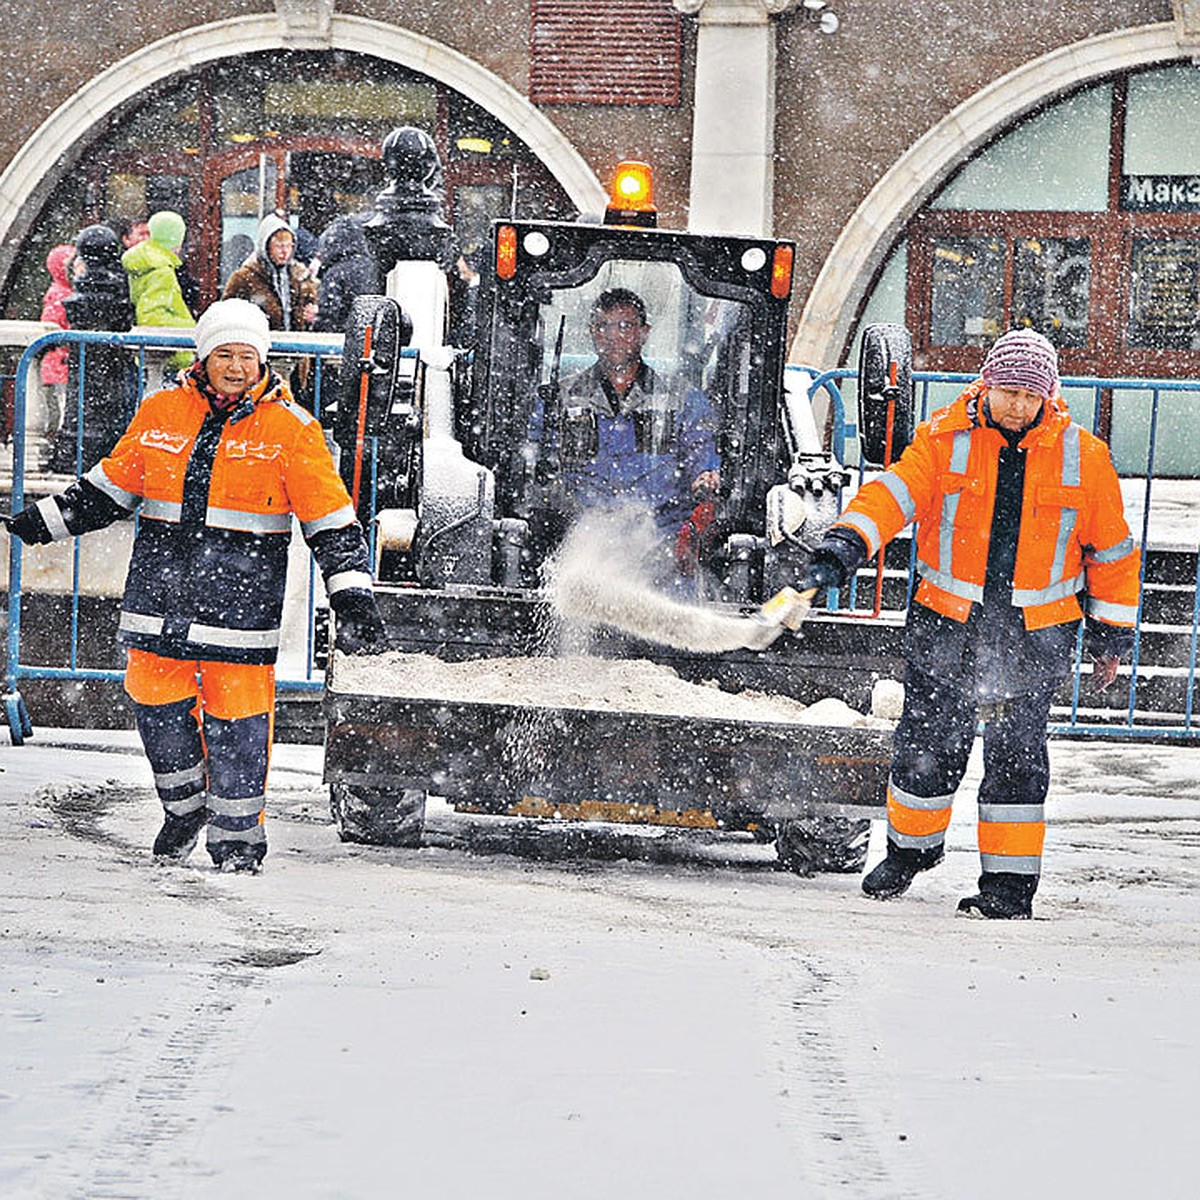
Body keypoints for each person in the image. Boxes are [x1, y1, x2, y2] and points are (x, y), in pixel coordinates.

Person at [2, 299, 387, 873]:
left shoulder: (292, 430)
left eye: (247, 356)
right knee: (156, 714)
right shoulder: (160, 412)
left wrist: (352, 596)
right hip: (158, 609)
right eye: (225, 354)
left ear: (264, 360)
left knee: (239, 731)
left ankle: (237, 845)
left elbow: (331, 523)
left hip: (240, 615)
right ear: (203, 357)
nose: (236, 366)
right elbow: (110, 487)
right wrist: (42, 521)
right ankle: (182, 809)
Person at [799, 329, 1141, 919]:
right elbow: (892, 496)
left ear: (1049, 396)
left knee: (1017, 759)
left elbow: (1110, 553)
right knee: (927, 746)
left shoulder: (1085, 458)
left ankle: (1007, 888)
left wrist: (1111, 635)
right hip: (947, 626)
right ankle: (909, 853)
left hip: (1035, 635)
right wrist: (846, 543)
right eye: (1008, 390)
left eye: (1030, 395)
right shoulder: (941, 441)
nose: (1017, 405)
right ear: (986, 384)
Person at [530, 287, 720, 542]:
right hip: (577, 538)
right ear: (591, 332)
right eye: (602, 326)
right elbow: (533, 460)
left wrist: (705, 475)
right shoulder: (558, 400)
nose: (612, 336)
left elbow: (702, 451)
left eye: (625, 326)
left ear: (644, 332)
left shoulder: (681, 400)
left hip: (661, 539)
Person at [122, 210, 196, 376]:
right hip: (169, 357)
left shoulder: (145, 263)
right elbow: (151, 315)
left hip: (152, 356)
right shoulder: (162, 271)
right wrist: (191, 330)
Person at [223, 212, 318, 333]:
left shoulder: (301, 276)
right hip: (258, 344)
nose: (285, 252)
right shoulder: (244, 278)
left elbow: (312, 309)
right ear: (266, 247)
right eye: (279, 246)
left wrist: (314, 314)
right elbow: (227, 316)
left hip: (295, 347)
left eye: (289, 246)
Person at [312, 215, 381, 335]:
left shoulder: (336, 272)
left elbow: (328, 315)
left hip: (342, 339)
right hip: (367, 336)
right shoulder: (372, 266)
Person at [38, 243, 76, 447]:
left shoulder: (61, 292)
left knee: (59, 408)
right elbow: (51, 325)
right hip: (59, 364)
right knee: (59, 410)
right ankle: (57, 446)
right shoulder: (60, 294)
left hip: (58, 363)